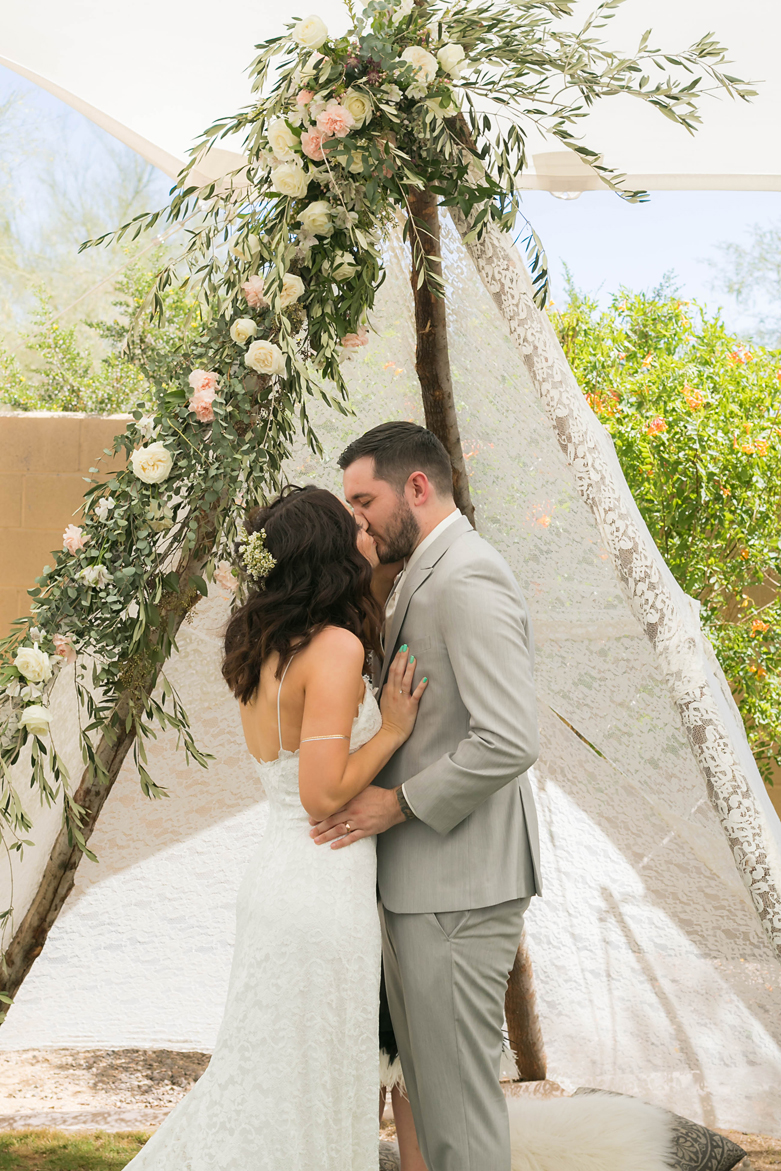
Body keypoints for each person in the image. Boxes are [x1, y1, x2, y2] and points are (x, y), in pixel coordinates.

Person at [124, 484, 427, 1171]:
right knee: (311, 1078)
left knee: (269, 1072)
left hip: (278, 876)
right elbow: (321, 793)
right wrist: (393, 730)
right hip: (321, 879)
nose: (363, 532)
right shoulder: (338, 646)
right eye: (350, 524)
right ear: (327, 551)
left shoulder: (263, 645)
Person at [311, 422, 542, 1171]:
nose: (357, 518)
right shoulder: (419, 571)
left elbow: (508, 738)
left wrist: (397, 803)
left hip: (459, 887)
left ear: (416, 486)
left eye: (363, 499)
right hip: (427, 887)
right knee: (438, 1113)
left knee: (459, 1120)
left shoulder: (467, 575)